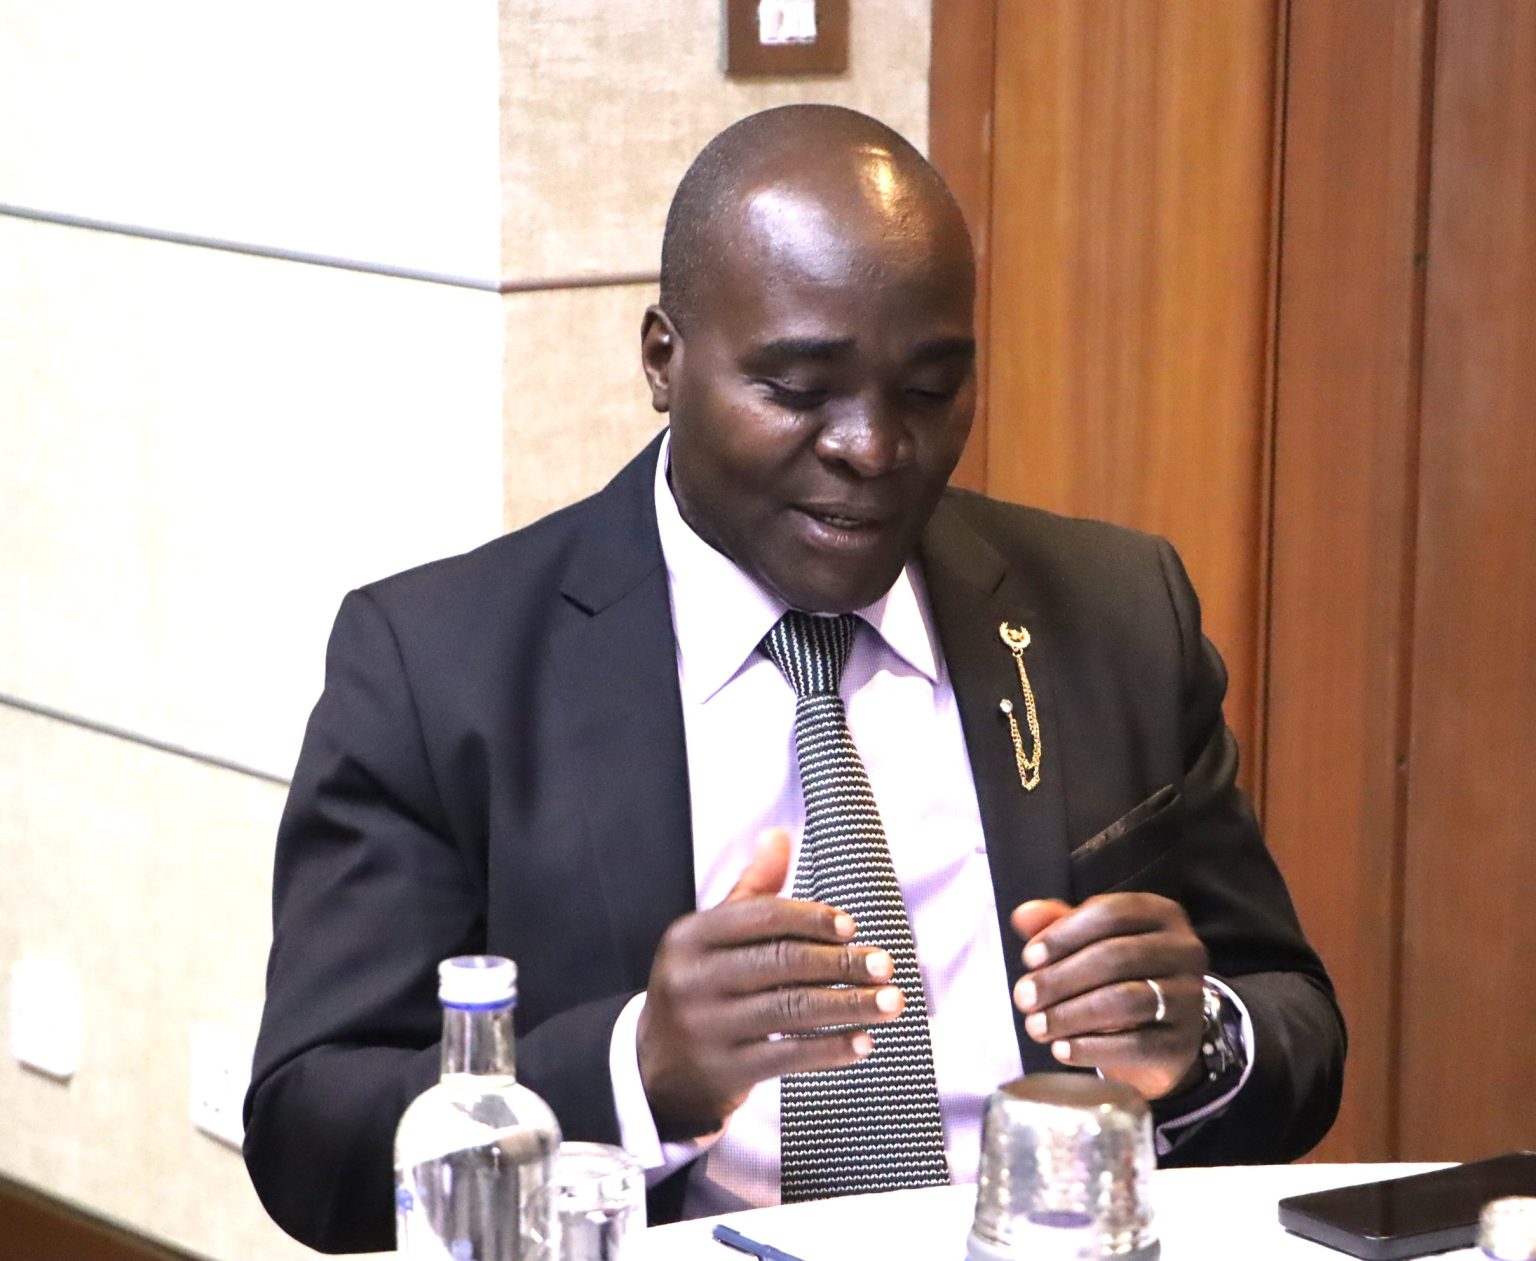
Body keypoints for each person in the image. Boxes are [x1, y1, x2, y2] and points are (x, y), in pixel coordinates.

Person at [243, 104, 1345, 1253]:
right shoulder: (441, 666)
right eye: (800, 390)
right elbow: (312, 1134)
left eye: (929, 390)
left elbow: (1298, 1023)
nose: (874, 447)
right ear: (663, 359)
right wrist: (637, 1070)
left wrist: (1197, 1042)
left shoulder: (1112, 611)